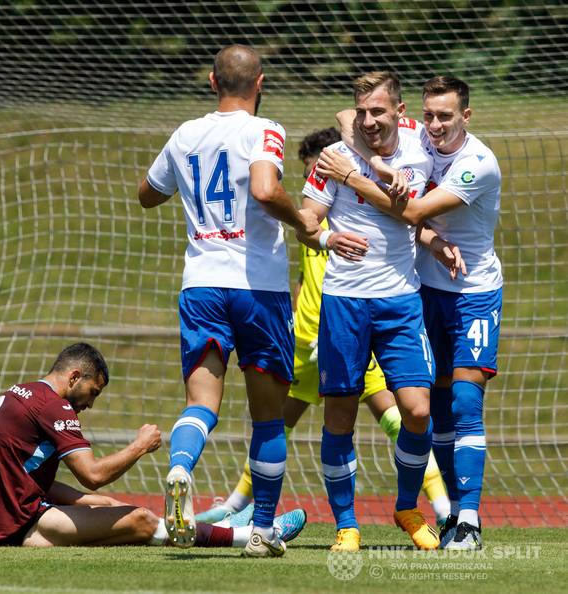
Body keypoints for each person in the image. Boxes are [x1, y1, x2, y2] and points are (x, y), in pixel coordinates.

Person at [196, 128, 450, 528]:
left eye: (316, 170)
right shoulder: (311, 219)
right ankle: (239, 506)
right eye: (310, 172)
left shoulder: (355, 210)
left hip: (348, 326)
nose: (313, 179)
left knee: (403, 414)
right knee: (280, 421)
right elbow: (304, 274)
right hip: (311, 335)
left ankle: (439, 508)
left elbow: (405, 219)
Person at [137, 44, 319, 557]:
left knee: (201, 405)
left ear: (212, 83)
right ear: (260, 84)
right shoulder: (266, 130)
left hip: (201, 284)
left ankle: (179, 467)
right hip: (257, 287)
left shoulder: (185, 134)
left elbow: (147, 194)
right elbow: (265, 190)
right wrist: (302, 219)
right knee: (266, 417)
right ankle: (262, 530)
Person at [320, 76, 501, 550]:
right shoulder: (416, 135)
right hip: (422, 291)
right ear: (417, 113)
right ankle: (442, 516)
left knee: (461, 403)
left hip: (472, 292)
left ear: (467, 116)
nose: (436, 125)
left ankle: (469, 519)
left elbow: (414, 210)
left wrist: (356, 174)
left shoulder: (477, 163)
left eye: (447, 116)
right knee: (433, 409)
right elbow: (348, 118)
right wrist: (380, 161)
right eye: (431, 115)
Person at [296, 71, 463, 552]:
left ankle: (407, 506)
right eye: (363, 112)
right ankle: (346, 524)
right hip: (345, 301)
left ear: (399, 111)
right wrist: (328, 236)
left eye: (379, 112)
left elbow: (409, 209)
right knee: (340, 415)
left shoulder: (418, 147)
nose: (370, 121)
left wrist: (434, 242)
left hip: (401, 301)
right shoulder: (335, 157)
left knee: (417, 409)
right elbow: (306, 222)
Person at [0, 342, 256, 548]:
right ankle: (243, 535)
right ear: (74, 376)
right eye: (93, 392)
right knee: (139, 519)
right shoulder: (54, 407)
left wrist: (100, 502)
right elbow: (93, 476)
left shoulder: (18, 394)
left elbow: (23, 477)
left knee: (112, 508)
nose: (90, 404)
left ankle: (222, 525)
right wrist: (139, 446)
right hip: (20, 526)